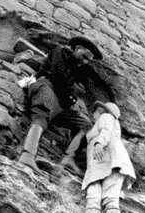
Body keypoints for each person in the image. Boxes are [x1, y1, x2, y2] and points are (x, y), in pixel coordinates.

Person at [17, 36, 103, 173]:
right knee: (43, 112)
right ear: (78, 48)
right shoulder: (60, 52)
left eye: (88, 60)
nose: (84, 61)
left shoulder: (77, 69)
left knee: (87, 125)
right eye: (84, 56)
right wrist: (72, 98)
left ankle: (68, 158)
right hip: (47, 86)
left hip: (60, 102)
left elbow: (72, 89)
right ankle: (28, 154)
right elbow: (58, 77)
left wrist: (71, 98)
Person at [80, 101, 135, 213]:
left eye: (94, 113)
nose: (93, 116)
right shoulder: (98, 124)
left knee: (110, 198)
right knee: (93, 198)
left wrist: (98, 143)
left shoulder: (105, 116)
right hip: (97, 167)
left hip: (111, 161)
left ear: (99, 111)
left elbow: (105, 131)